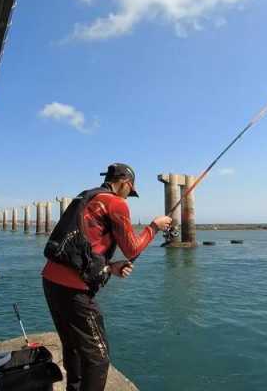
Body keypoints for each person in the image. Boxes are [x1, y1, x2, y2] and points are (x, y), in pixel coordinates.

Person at [42, 163, 172, 391]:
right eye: (129, 192)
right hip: (74, 291)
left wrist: (111, 267)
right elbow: (132, 248)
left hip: (51, 280)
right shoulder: (116, 202)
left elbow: (83, 247)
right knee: (98, 358)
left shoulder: (87, 197)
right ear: (126, 183)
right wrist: (154, 227)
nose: (128, 197)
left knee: (72, 345)